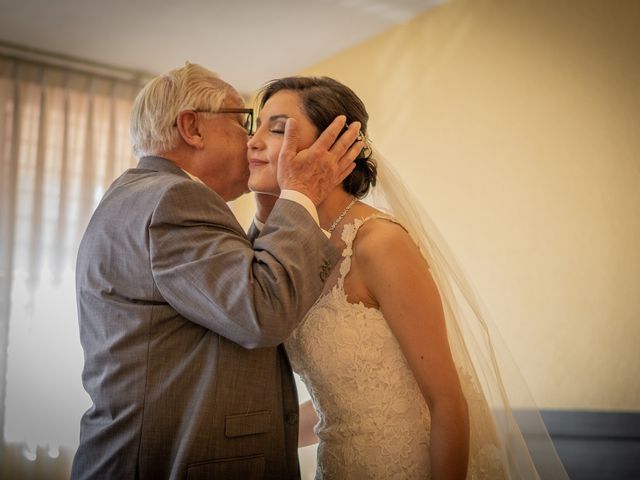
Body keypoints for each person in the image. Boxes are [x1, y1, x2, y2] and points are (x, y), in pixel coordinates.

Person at [247, 76, 569, 479]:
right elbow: (344, 404)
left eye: (276, 128)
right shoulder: (292, 250)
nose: (253, 141)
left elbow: (447, 402)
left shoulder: (379, 242)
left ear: (333, 145)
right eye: (255, 126)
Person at [71, 63, 363, 480]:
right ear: (192, 127)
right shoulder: (174, 199)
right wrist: (299, 196)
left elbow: (224, 291)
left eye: (271, 128)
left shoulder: (142, 195)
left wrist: (268, 219)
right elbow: (262, 312)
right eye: (245, 122)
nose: (252, 140)